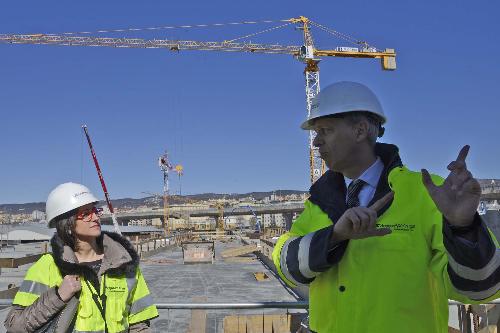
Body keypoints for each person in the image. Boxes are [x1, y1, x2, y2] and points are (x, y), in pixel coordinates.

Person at [272, 81, 500, 333]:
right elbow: (286, 268)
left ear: (360, 130)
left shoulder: (428, 194)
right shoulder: (319, 202)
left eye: (325, 130)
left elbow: (483, 290)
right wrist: (333, 237)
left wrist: (463, 229)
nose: (316, 143)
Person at [4, 182, 158, 333]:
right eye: (85, 214)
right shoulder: (48, 267)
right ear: (67, 223)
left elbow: (139, 325)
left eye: (94, 211)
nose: (95, 217)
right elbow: (15, 325)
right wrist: (58, 296)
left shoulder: (124, 264)